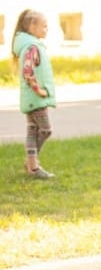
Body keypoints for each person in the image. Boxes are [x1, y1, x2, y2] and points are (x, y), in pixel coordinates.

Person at [12, 10, 55, 180]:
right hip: (36, 98)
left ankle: (32, 167)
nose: (46, 29)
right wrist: (40, 91)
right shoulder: (31, 48)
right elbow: (28, 72)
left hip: (31, 98)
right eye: (43, 26)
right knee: (46, 129)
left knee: (32, 130)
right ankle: (32, 164)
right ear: (32, 27)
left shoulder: (30, 46)